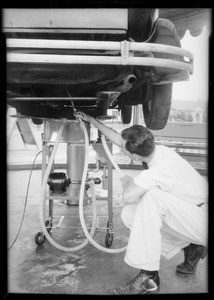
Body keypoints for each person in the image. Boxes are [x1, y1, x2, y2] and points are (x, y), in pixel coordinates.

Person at [74, 110, 208, 295]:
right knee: (130, 215)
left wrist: (129, 182)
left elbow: (128, 197)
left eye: (124, 150)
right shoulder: (158, 151)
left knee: (152, 199)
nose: (121, 149)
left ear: (135, 157)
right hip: (192, 212)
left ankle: (149, 277)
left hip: (202, 221)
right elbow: (120, 139)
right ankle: (192, 248)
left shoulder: (157, 171)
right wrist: (92, 120)